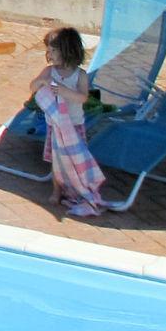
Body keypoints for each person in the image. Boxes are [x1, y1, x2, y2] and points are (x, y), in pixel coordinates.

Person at [30, 26, 105, 217]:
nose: (49, 54)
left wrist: (64, 91)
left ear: (67, 50)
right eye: (48, 50)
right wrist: (41, 83)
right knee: (57, 161)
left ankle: (78, 186)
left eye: (53, 50)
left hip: (74, 125)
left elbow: (82, 98)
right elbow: (32, 86)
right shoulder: (49, 71)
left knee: (75, 159)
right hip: (55, 125)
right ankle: (57, 190)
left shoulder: (80, 75)